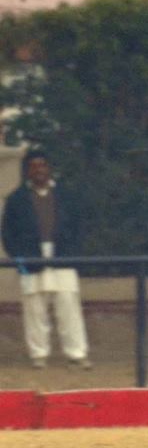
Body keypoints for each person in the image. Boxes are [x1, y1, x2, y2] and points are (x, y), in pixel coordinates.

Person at [1, 150, 92, 369]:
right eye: (33, 166)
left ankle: (76, 354)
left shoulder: (66, 195)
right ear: (27, 171)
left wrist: (73, 252)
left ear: (48, 168)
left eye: (42, 165)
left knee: (68, 305)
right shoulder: (16, 199)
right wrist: (20, 258)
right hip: (31, 257)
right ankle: (39, 355)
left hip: (63, 256)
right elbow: (7, 233)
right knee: (34, 309)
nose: (38, 169)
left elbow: (79, 227)